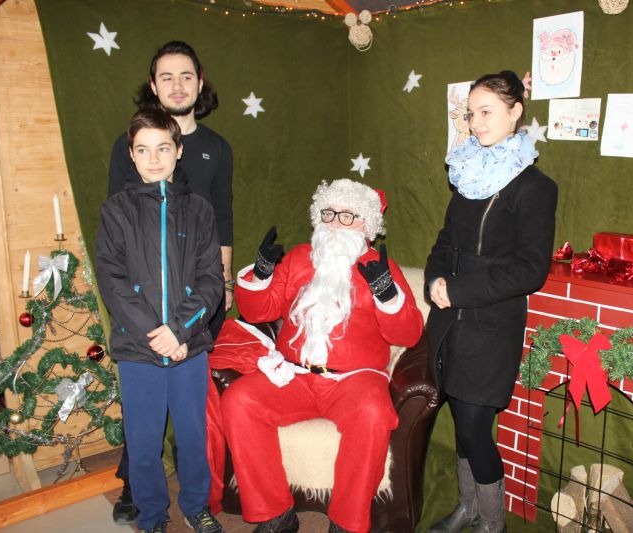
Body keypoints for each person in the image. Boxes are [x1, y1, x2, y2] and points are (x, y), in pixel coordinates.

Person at [221, 179, 424, 533]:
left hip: (355, 380)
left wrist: (387, 295)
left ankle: (346, 522)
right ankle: (275, 514)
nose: (335, 224)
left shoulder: (379, 268)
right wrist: (262, 274)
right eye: (329, 214)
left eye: (347, 216)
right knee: (240, 400)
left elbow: (407, 334)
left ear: (367, 225)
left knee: (373, 413)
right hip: (294, 375)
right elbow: (257, 312)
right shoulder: (299, 258)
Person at [425, 71, 558, 533]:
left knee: (474, 426)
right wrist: (436, 278)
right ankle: (469, 508)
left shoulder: (535, 187)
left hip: (492, 324)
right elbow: (445, 240)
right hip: (449, 321)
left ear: (515, 111)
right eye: (471, 114)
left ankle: (493, 522)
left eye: (486, 112)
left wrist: (459, 290)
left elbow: (531, 269)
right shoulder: (467, 171)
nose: (476, 122)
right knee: (462, 420)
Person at [108, 40, 234, 524]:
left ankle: (197, 507)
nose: (154, 158)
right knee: (142, 440)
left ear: (178, 151)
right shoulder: (117, 211)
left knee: (193, 436)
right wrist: (153, 331)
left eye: (163, 148)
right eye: (143, 150)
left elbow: (210, 274)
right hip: (139, 343)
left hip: (189, 339)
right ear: (132, 154)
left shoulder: (199, 208)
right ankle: (149, 511)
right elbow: (113, 276)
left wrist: (181, 330)